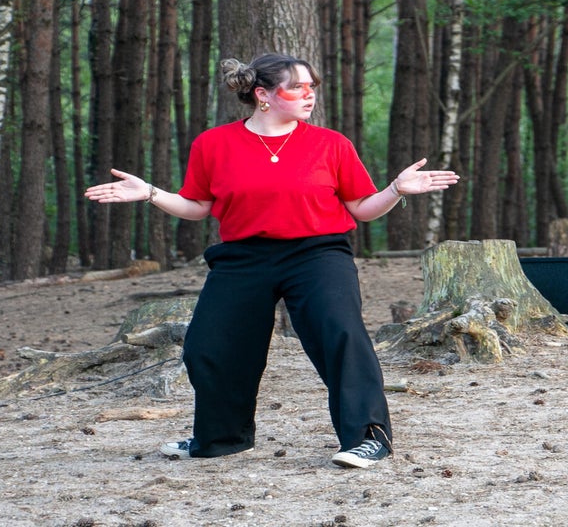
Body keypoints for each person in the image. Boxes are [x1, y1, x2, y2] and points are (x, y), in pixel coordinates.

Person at [85, 53, 458, 468]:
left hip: (318, 254)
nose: (309, 94)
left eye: (312, 86)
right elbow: (197, 206)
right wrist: (151, 193)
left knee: (341, 334)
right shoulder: (213, 144)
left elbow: (362, 208)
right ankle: (222, 437)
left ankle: (368, 438)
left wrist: (396, 189)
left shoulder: (331, 144)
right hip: (243, 258)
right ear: (262, 95)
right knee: (209, 346)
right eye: (297, 87)